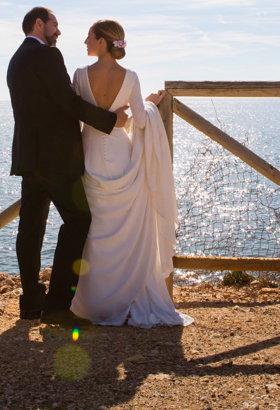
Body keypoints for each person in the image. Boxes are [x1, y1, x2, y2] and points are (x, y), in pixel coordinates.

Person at [7, 7, 128, 326]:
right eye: (54, 25)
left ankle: (31, 302)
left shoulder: (16, 60)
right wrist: (112, 120)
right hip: (57, 158)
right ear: (38, 24)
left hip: (28, 157)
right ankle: (58, 305)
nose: (58, 32)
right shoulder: (47, 56)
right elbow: (68, 102)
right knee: (78, 221)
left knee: (30, 230)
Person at [70, 20, 193, 327]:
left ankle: (96, 302)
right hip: (122, 156)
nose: (85, 41)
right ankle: (130, 292)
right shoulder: (131, 77)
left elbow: (78, 116)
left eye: (89, 37)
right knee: (127, 230)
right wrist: (150, 104)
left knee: (95, 231)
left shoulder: (80, 75)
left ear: (101, 42)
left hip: (90, 158)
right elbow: (139, 121)